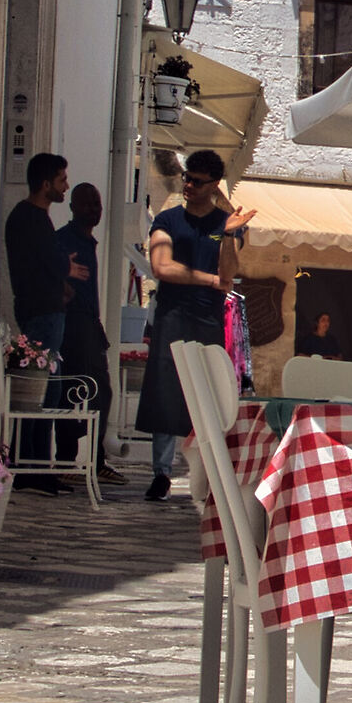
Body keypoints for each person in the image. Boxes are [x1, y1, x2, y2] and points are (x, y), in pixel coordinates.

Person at [135, 149, 254, 501]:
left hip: (206, 318)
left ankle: (203, 475)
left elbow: (228, 273)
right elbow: (161, 266)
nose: (188, 185)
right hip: (172, 312)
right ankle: (161, 471)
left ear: (213, 185)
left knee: (207, 395)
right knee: (165, 389)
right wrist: (208, 280)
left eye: (197, 181)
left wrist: (231, 233)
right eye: (187, 178)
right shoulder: (167, 220)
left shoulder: (222, 227)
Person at [3, 152, 85, 488]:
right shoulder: (29, 217)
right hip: (41, 315)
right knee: (38, 392)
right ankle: (31, 468)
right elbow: (42, 261)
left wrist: (62, 275)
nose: (66, 186)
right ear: (46, 183)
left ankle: (36, 465)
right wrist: (64, 267)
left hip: (47, 311)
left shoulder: (36, 218)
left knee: (46, 392)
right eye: (62, 180)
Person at [58, 181, 115, 478]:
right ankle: (69, 458)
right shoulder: (66, 240)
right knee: (77, 390)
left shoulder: (87, 241)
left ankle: (94, 458)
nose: (94, 210)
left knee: (98, 392)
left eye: (97, 204)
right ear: (73, 207)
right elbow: (56, 277)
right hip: (75, 325)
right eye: (87, 204)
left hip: (90, 324)